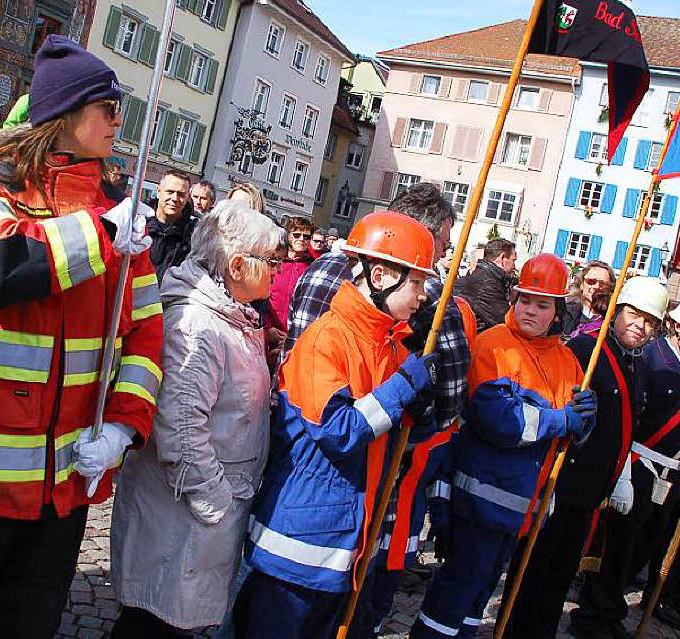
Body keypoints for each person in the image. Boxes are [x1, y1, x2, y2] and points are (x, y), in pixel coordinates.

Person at [0, 35, 164, 639]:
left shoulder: (116, 207)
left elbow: (146, 333)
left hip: (67, 477)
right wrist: (100, 233)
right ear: (65, 114)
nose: (117, 121)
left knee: (33, 615)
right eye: (107, 108)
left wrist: (124, 424)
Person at [237, 211, 438, 638]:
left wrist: (415, 417)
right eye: (418, 282)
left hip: (341, 542)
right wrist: (403, 389)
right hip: (299, 541)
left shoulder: (388, 344)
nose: (423, 295)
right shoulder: (326, 339)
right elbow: (340, 430)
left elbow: (387, 435)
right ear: (380, 276)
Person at [281, 182, 469, 633]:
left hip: (309, 476)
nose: (427, 285)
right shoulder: (423, 307)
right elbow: (444, 402)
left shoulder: (326, 272)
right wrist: (405, 392)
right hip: (347, 489)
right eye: (439, 246)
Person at [110, 201, 282, 636]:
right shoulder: (196, 326)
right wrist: (217, 502)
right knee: (154, 623)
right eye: (271, 262)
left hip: (197, 517)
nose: (278, 271)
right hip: (182, 514)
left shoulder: (233, 319)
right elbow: (181, 429)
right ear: (238, 265)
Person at [412, 253, 594, 639]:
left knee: (477, 599)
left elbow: (571, 434)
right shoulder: (494, 345)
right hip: (479, 500)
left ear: (557, 311)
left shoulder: (568, 360)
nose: (530, 310)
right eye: (525, 300)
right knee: (455, 591)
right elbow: (499, 420)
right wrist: (561, 419)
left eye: (541, 304)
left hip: (524, 507)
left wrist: (584, 422)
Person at [504, 276, 668, 638]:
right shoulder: (585, 349)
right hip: (562, 480)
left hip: (594, 487)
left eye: (650, 321)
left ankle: (541, 631)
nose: (641, 327)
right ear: (616, 310)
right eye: (634, 315)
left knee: (561, 573)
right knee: (533, 569)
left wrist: (621, 475)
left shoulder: (637, 363)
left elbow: (626, 424)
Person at [573, 293, 680, 636]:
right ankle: (593, 615)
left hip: (672, 474)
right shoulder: (652, 360)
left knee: (640, 550)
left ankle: (610, 611)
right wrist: (624, 472)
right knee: (616, 550)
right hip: (640, 466)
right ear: (678, 326)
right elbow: (631, 421)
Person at [266, 216, 316, 334]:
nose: (302, 239)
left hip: (294, 334)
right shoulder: (274, 262)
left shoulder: (314, 267)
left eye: (306, 236)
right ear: (288, 235)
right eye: (297, 235)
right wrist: (267, 327)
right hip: (268, 328)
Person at [459, 237, 517, 332]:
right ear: (502, 258)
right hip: (479, 341)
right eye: (513, 260)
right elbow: (506, 322)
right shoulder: (487, 284)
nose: (514, 266)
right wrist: (515, 302)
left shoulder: (488, 278)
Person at [148, 170, 196, 279]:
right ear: (159, 191)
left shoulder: (194, 234)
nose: (174, 198)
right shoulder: (139, 223)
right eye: (170, 192)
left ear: (188, 197)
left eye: (181, 194)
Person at [563, 260, 616, 337]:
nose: (596, 287)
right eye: (591, 281)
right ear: (581, 284)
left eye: (603, 284)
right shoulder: (565, 313)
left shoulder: (612, 321)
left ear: (610, 289)